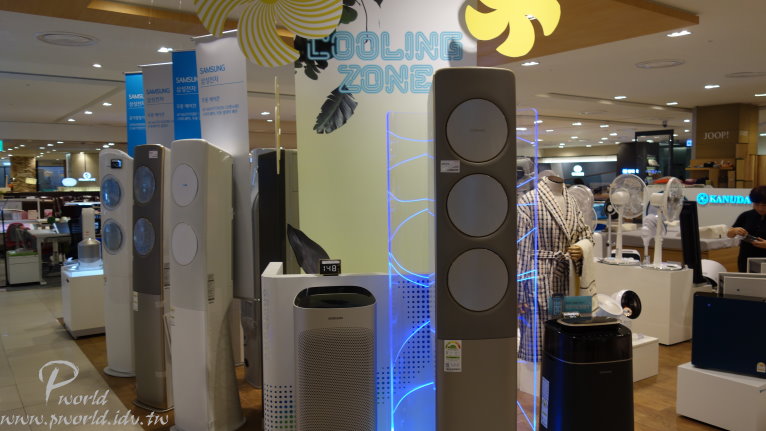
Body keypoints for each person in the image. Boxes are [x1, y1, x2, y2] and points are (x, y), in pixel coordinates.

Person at [727, 186, 766, 272]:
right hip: (745, 258)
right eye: (756, 204)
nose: (760, 208)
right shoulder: (746, 215)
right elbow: (729, 234)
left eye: (764, 205)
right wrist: (734, 231)